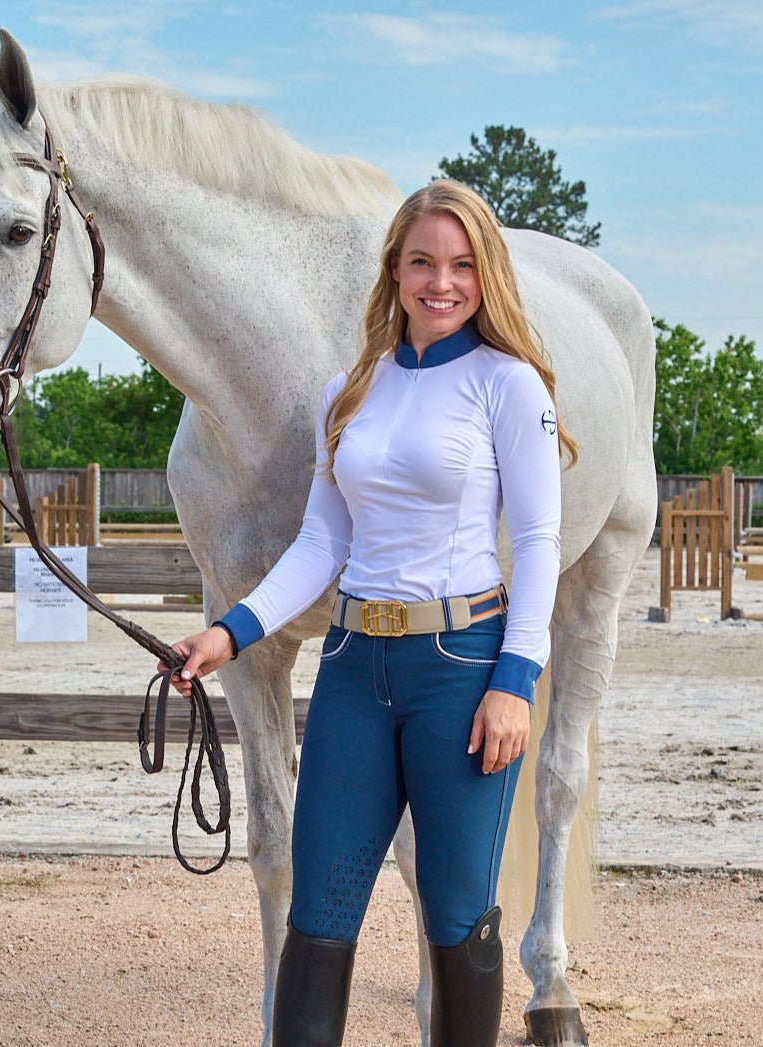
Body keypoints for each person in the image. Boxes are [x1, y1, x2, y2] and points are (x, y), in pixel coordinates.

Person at [161, 179, 577, 1047]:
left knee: (458, 915)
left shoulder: (509, 386)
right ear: (392, 268)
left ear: (484, 274)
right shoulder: (348, 391)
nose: (441, 282)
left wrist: (515, 680)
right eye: (421, 260)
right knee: (319, 914)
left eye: (462, 265)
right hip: (353, 665)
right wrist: (229, 631)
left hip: (462, 671)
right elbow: (320, 543)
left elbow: (538, 540)